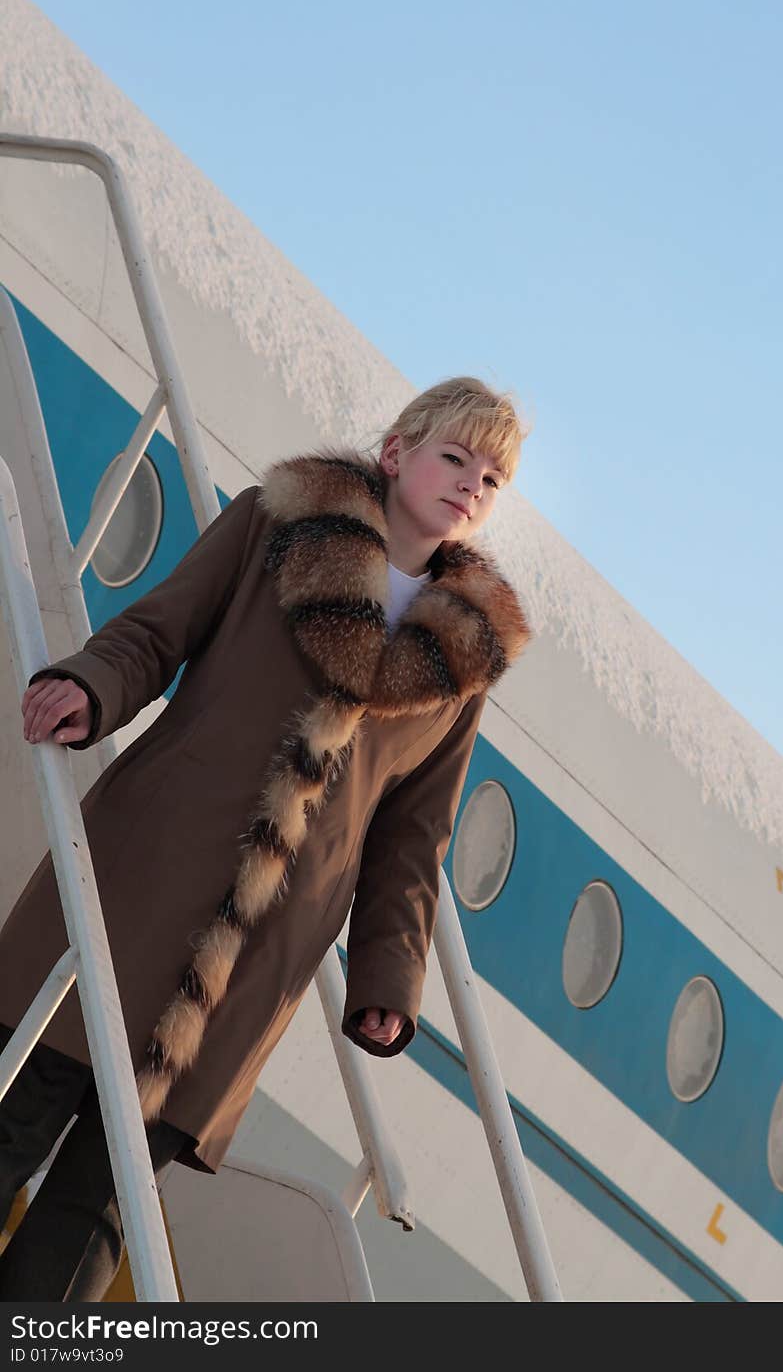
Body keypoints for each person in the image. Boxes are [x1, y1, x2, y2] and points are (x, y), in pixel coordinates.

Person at [0, 375, 531, 1300]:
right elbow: (160, 630)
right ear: (398, 450)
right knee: (16, 1112)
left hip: (257, 953)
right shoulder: (272, 525)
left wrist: (387, 983)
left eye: (491, 481)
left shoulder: (465, 658)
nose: (469, 486)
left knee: (105, 1201)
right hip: (140, 872)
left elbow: (413, 841)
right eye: (455, 458)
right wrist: (90, 686)